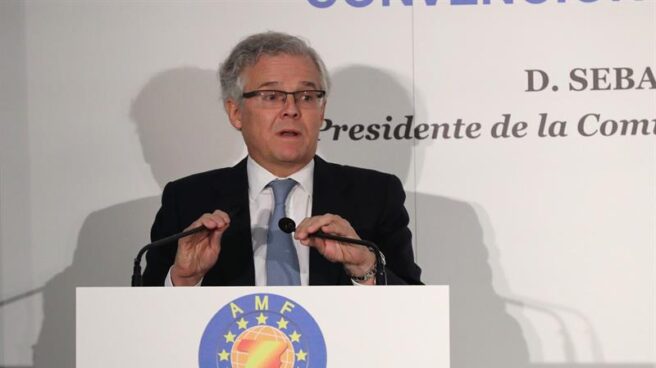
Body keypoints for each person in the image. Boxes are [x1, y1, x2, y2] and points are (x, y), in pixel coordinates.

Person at [142, 31, 421, 287]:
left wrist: (365, 268)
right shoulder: (188, 200)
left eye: (307, 96)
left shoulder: (375, 195)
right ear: (235, 112)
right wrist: (184, 279)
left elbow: (416, 313)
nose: (292, 110)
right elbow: (142, 320)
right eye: (272, 96)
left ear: (322, 110)